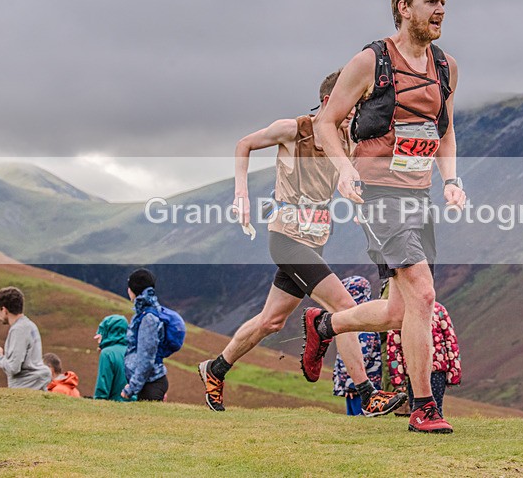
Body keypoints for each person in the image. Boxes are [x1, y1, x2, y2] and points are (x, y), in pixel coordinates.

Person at [304, 0, 464, 434]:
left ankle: (325, 326)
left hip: (419, 195)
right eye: (431, 1)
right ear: (404, 8)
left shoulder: (446, 68)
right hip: (377, 193)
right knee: (424, 293)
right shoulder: (371, 61)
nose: (440, 9)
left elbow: (445, 131)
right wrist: (345, 169)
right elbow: (326, 123)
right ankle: (424, 408)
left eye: (443, 1)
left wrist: (451, 181)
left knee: (401, 310)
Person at [197, 71, 406, 416]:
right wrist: (241, 195)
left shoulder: (346, 141)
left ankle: (215, 369)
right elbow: (243, 144)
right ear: (329, 101)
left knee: (271, 321)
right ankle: (367, 395)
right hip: (286, 238)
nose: (354, 114)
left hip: (316, 238)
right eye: (350, 106)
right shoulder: (294, 129)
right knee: (344, 306)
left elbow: (356, 178)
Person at [387, 300, 461, 416]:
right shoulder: (402, 311)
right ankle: (420, 421)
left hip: (435, 370)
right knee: (417, 405)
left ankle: (434, 422)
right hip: (416, 369)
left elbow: (450, 341)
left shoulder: (438, 310)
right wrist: (398, 379)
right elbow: (394, 346)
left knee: (435, 404)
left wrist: (454, 373)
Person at [0, 287, 50, 390]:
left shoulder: (18, 330)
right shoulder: (29, 325)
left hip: (24, 389)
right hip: (33, 386)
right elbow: (9, 362)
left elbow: (13, 368)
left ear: (4, 310)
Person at [332, 276, 383, 416]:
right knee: (353, 416)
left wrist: (352, 384)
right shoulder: (359, 322)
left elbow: (361, 356)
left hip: (361, 386)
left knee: (360, 415)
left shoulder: (362, 325)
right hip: (357, 385)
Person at [122, 268, 169, 402]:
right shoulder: (145, 313)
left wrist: (131, 388)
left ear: (133, 289)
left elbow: (146, 357)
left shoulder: (147, 318)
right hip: (149, 383)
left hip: (151, 384)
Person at [94, 314, 129, 401]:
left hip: (116, 403)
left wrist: (98, 400)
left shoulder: (107, 354)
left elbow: (103, 386)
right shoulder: (133, 350)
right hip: (134, 404)